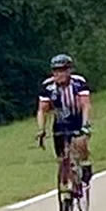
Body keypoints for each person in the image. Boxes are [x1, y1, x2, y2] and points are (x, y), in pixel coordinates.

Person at [35, 53, 93, 192]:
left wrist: (85, 124)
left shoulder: (78, 82)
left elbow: (85, 104)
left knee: (80, 143)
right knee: (62, 158)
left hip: (77, 119)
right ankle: (66, 186)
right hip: (60, 122)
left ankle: (85, 164)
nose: (58, 74)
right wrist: (41, 129)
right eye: (55, 71)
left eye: (62, 70)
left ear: (69, 71)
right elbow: (42, 110)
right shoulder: (48, 86)